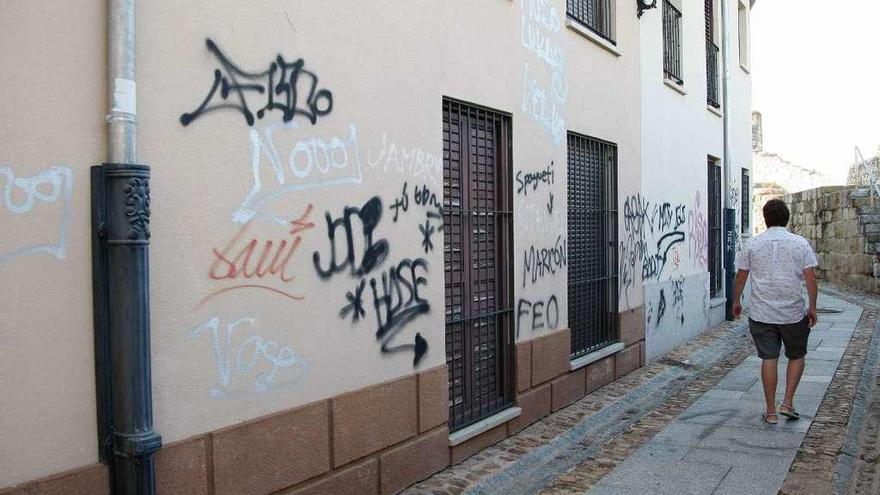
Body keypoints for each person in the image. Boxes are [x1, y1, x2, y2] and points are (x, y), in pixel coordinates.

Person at [732, 198, 819, 425]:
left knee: (768, 358)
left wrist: (736, 300)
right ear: (787, 218)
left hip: (762, 313)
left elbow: (741, 276)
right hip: (792, 313)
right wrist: (812, 307)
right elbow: (810, 278)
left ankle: (770, 412)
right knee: (796, 356)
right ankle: (787, 402)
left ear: (765, 218)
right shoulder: (800, 244)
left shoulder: (752, 244)